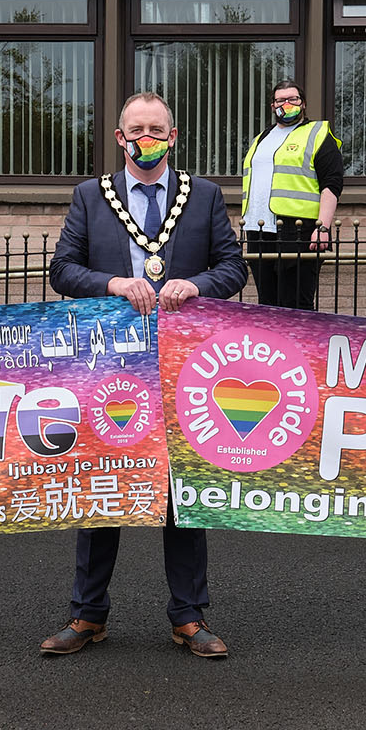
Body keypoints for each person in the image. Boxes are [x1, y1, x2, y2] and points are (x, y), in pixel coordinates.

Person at [43, 91, 248, 658]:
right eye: (137, 129)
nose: (146, 139)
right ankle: (88, 615)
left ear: (174, 136)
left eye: (157, 129)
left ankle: (188, 615)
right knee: (101, 488)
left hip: (186, 368)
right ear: (119, 137)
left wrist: (198, 285)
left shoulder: (203, 196)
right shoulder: (90, 196)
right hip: (110, 365)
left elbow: (233, 267)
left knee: (182, 495)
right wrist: (111, 284)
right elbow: (62, 268)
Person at [240, 79, 342, 310]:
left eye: (292, 99)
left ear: (303, 103)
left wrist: (322, 227)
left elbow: (332, 184)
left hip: (299, 230)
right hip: (259, 230)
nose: (286, 104)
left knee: (296, 303)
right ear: (272, 105)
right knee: (268, 304)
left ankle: (302, 347)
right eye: (280, 100)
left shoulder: (317, 134)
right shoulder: (262, 139)